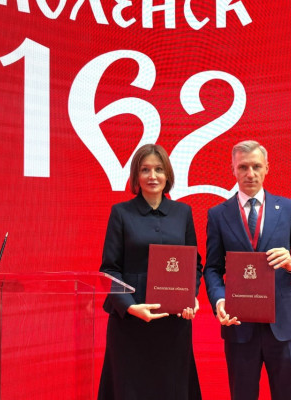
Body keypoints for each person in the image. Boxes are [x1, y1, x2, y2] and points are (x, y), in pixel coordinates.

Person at [203, 140, 291, 400]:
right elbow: (212, 268)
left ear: (267, 168)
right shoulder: (218, 215)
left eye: (256, 166)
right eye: (243, 167)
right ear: (233, 169)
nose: (250, 173)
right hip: (239, 326)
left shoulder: (288, 208)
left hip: (284, 325)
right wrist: (220, 300)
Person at [97, 144, 202, 400]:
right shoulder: (121, 213)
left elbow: (194, 264)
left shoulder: (183, 212)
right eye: (145, 170)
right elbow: (109, 269)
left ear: (168, 174)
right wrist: (130, 307)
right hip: (130, 323)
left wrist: (190, 296)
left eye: (158, 169)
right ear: (136, 175)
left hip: (173, 322)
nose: (152, 176)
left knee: (172, 389)